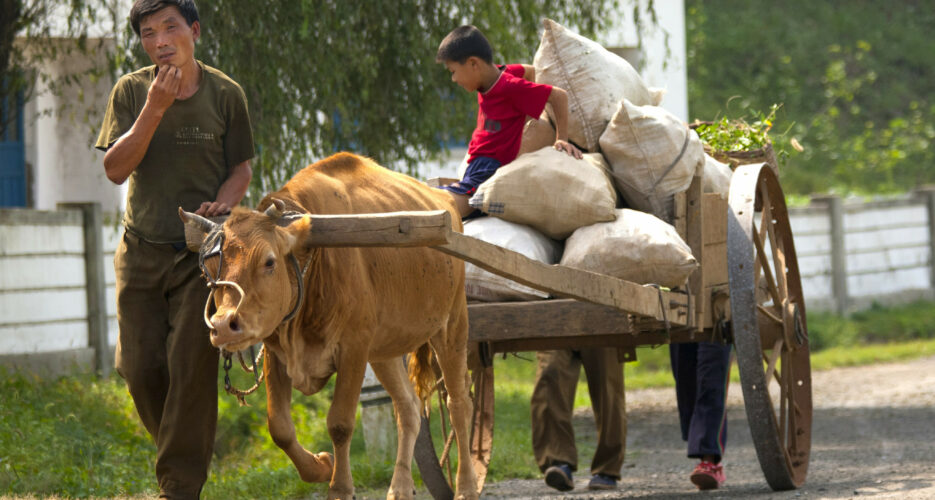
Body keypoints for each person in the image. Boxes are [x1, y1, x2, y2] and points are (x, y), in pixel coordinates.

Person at [94, 1, 254, 498]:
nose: (160, 41)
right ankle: (184, 446)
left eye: (170, 28)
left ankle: (179, 487)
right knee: (139, 369)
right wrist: (154, 109)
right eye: (148, 33)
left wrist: (225, 205)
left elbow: (241, 169)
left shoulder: (226, 94)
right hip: (139, 252)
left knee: (191, 370)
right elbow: (115, 169)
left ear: (194, 31)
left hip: (200, 257)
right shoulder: (131, 91)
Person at [435, 25, 582, 219]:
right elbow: (529, 70)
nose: (453, 79)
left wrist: (561, 139)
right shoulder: (496, 77)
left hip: (488, 169)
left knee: (442, 210)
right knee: (432, 194)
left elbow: (559, 96)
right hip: (475, 166)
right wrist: (527, 113)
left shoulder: (510, 87)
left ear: (473, 64)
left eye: (453, 71)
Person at [530, 349, 626, 492]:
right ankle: (558, 461)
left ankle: (607, 468)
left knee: (607, 385)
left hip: (602, 329)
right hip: (554, 327)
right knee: (550, 373)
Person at [670, 342, 733, 490]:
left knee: (711, 375)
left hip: (718, 321)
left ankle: (709, 459)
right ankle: (698, 439)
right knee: (684, 374)